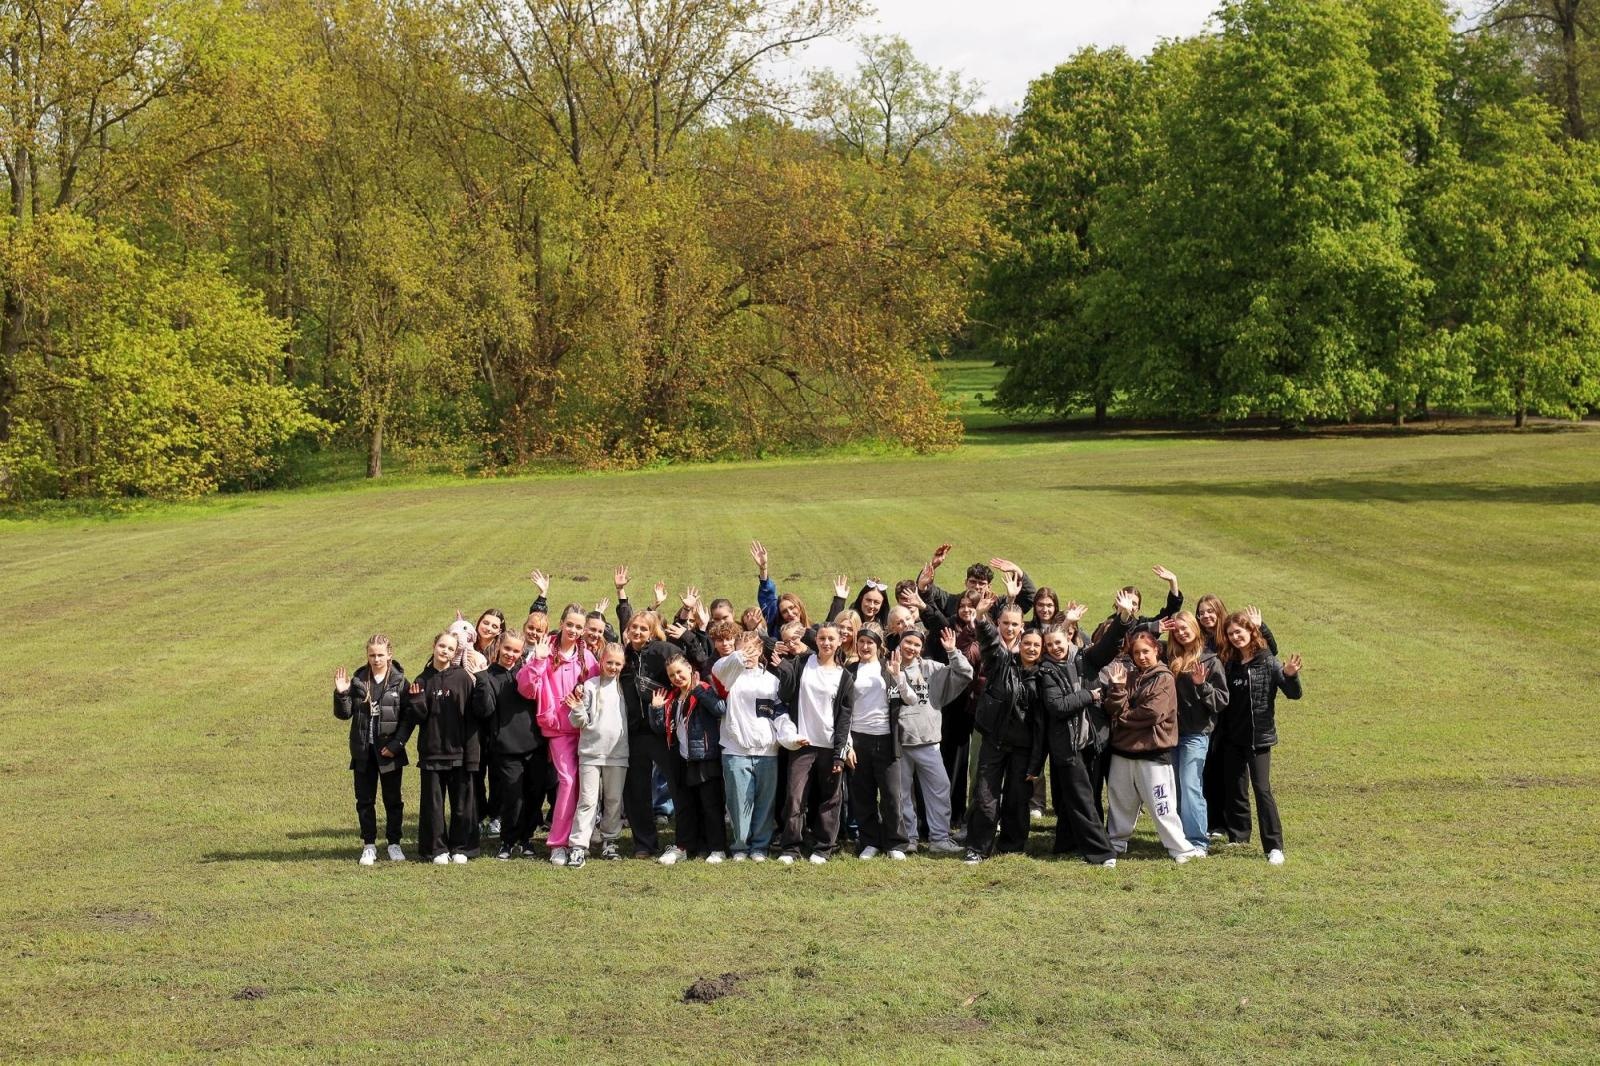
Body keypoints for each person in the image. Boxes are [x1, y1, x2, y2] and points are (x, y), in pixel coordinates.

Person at [1033, 591, 1135, 864]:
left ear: (1068, 638)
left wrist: (1124, 617)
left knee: (1083, 794)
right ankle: (1102, 852)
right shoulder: (1046, 671)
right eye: (1049, 645)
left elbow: (1109, 645)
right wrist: (1089, 695)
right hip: (1067, 744)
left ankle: (1068, 843)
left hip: (1093, 739)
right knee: (1080, 798)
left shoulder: (1084, 658)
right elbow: (1057, 706)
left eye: (1058, 642)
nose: (1055, 648)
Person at [1103, 631, 1201, 862]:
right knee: (1120, 801)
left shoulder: (1164, 678)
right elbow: (1111, 708)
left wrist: (1123, 717)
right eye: (1136, 653)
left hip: (1153, 753)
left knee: (1162, 804)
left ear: (1157, 650)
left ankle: (1180, 848)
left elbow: (1152, 713)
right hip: (1122, 751)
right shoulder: (1126, 676)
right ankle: (1116, 842)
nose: (1141, 657)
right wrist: (1118, 689)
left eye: (1146, 651)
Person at [962, 581, 1041, 864]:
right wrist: (981, 617)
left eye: (1015, 624)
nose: (1009, 628)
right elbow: (989, 641)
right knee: (985, 795)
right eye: (1005, 623)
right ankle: (977, 847)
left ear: (1022, 627)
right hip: (994, 739)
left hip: (1023, 745)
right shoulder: (1000, 659)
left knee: (1017, 797)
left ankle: (1012, 846)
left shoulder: (1041, 669)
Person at [516, 606, 600, 866]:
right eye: (570, 624)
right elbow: (526, 689)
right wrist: (538, 661)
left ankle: (579, 840)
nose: (573, 630)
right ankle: (558, 844)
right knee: (568, 781)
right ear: (561, 623)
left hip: (584, 729)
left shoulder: (587, 658)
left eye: (578, 626)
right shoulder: (545, 651)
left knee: (585, 785)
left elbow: (597, 690)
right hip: (557, 730)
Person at [1218, 611, 1303, 865]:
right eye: (1231, 634)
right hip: (1232, 737)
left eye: (1239, 632)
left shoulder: (1268, 661)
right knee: (1235, 787)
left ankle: (1274, 846)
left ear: (1250, 631)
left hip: (1259, 739)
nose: (1235, 637)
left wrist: (1290, 675)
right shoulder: (1229, 663)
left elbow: (1294, 694)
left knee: (1262, 789)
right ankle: (1239, 835)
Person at [614, 581, 685, 859]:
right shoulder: (624, 655)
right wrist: (622, 598)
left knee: (676, 784)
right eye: (634, 628)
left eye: (643, 629)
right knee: (636, 790)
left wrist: (667, 705)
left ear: (652, 631)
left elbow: (682, 676)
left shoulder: (663, 651)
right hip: (634, 732)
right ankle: (644, 843)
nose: (637, 632)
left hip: (662, 730)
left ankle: (684, 839)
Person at [888, 626, 972, 856]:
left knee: (940, 788)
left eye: (916, 644)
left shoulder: (931, 668)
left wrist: (952, 651)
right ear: (900, 643)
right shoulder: (888, 667)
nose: (911, 648)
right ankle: (909, 838)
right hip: (899, 743)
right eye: (908, 642)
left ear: (922, 648)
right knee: (902, 794)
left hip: (928, 740)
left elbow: (965, 673)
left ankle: (939, 838)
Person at [771, 623, 851, 864]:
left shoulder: (844, 676)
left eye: (831, 639)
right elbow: (785, 695)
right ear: (815, 641)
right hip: (802, 744)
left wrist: (839, 754)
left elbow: (845, 718)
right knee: (794, 797)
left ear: (839, 642)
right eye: (822, 638)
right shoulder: (803, 663)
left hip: (829, 745)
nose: (826, 643)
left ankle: (824, 847)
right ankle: (790, 848)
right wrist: (784, 670)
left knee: (830, 798)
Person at [333, 635, 411, 865]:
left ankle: (394, 843)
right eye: (372, 655)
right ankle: (369, 845)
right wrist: (342, 693)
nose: (376, 659)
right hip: (363, 751)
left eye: (380, 655)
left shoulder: (399, 682)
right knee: (365, 800)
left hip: (389, 752)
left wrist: (396, 745)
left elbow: (408, 719)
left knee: (393, 800)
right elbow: (344, 714)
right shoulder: (358, 680)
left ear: (389, 655)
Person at [404, 631, 477, 864]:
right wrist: (416, 701)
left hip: (459, 751)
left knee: (462, 804)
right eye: (442, 646)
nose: (445, 651)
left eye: (450, 649)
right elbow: (419, 718)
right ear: (434, 646)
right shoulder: (421, 680)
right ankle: (436, 849)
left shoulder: (463, 678)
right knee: (433, 805)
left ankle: (461, 847)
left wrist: (472, 754)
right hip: (432, 752)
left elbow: (471, 717)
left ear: (455, 653)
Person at [712, 631, 785, 861]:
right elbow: (720, 670)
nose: (748, 655)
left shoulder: (772, 680)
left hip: (767, 751)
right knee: (738, 802)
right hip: (735, 749)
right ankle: (740, 847)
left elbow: (778, 711)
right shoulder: (728, 673)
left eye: (753, 650)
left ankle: (760, 846)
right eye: (743, 649)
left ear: (761, 650)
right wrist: (738, 656)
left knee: (764, 802)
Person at [650, 655, 728, 864]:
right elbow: (660, 729)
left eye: (679, 672)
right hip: (681, 758)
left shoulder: (704, 688)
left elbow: (720, 709)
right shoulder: (673, 697)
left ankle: (717, 848)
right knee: (685, 806)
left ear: (690, 670)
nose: (676, 677)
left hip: (705, 756)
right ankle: (685, 846)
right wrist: (656, 709)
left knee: (710, 805)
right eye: (671, 675)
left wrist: (698, 691)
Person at [475, 633, 543, 860]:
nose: (510, 654)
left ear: (522, 652)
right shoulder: (488, 676)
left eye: (516, 651)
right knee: (513, 796)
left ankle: (526, 838)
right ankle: (508, 840)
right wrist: (481, 681)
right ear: (499, 647)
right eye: (507, 649)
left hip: (534, 745)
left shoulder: (526, 673)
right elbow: (484, 710)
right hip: (505, 748)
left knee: (534, 794)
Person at [1163, 611, 1227, 855]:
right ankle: (1180, 838)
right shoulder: (1169, 658)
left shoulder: (1210, 661)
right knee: (1176, 788)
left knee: (1191, 786)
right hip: (1171, 733)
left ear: (1194, 627)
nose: (1181, 633)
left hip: (1196, 734)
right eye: (1176, 630)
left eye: (1185, 628)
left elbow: (1221, 701)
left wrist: (1202, 685)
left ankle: (1198, 841)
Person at [564, 643, 630, 868]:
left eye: (617, 663)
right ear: (601, 662)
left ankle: (610, 841)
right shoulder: (589, 686)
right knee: (588, 800)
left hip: (618, 754)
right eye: (609, 662)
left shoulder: (624, 688)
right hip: (591, 753)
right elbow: (579, 721)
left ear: (623, 665)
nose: (613, 667)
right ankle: (578, 845)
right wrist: (577, 708)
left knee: (614, 800)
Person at [844, 625, 904, 859]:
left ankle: (895, 843)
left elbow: (909, 698)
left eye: (870, 642)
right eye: (861, 642)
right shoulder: (849, 671)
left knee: (891, 795)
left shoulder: (889, 668)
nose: (865, 646)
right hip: (859, 739)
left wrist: (897, 675)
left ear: (879, 646)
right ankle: (870, 841)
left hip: (886, 740)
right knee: (863, 795)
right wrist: (848, 744)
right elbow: (844, 710)